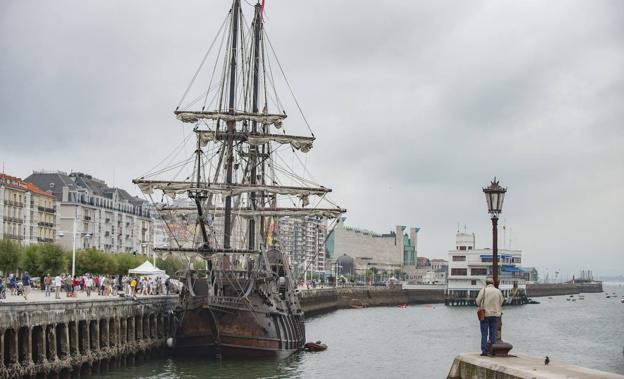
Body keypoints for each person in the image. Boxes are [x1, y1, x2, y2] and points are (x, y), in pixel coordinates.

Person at [476, 278, 504, 356]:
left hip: (485, 314)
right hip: (495, 315)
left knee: (484, 334)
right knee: (493, 333)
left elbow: (478, 302)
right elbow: (501, 301)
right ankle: (493, 351)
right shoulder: (498, 291)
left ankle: (484, 351)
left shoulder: (483, 290)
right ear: (493, 283)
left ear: (486, 283)